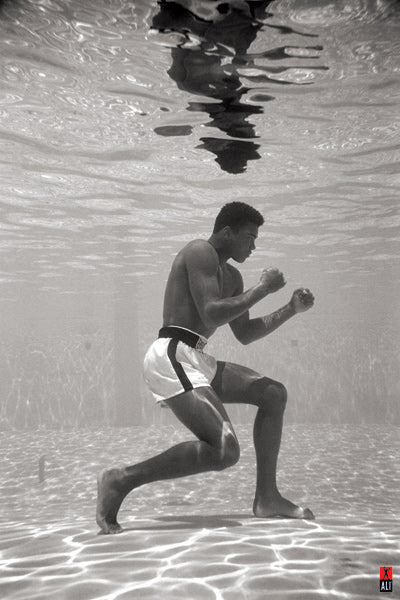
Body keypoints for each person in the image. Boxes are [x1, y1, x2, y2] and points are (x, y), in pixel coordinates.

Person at [96, 201, 315, 534]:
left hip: (196, 357)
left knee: (273, 394)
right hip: (170, 354)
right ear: (227, 232)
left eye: (256, 239)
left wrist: (290, 309)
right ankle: (121, 480)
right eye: (249, 237)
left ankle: (267, 498)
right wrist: (262, 289)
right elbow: (211, 312)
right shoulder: (200, 251)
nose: (253, 246)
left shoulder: (232, 276)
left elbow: (244, 333)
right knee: (225, 450)